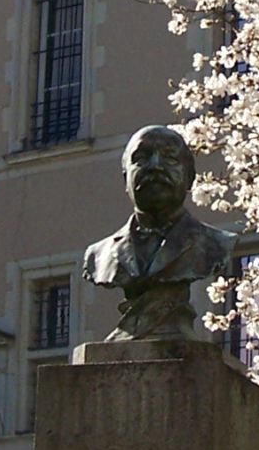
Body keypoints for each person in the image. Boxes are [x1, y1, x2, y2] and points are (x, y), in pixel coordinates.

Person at [82, 125, 234, 340]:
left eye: (170, 158)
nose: (154, 166)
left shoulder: (216, 245)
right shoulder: (98, 256)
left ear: (190, 178)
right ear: (125, 177)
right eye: (141, 158)